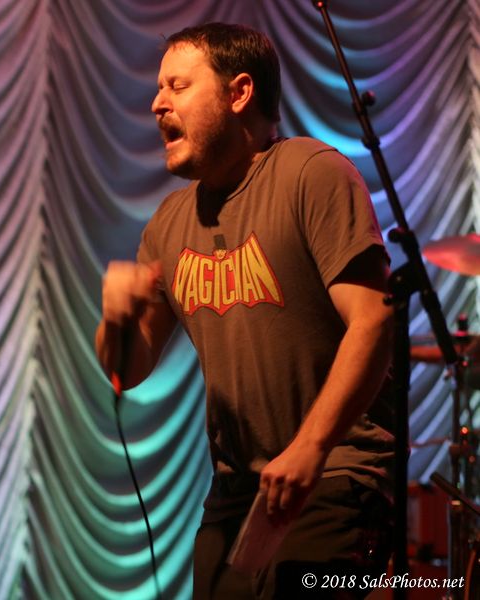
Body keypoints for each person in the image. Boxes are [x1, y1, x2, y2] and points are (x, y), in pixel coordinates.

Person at [95, 23, 395, 599]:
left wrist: (310, 448)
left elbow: (374, 320)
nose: (157, 103)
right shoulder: (169, 224)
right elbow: (126, 371)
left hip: (333, 472)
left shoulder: (311, 172)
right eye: (159, 88)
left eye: (178, 86)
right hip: (237, 494)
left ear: (239, 93)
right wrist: (116, 318)